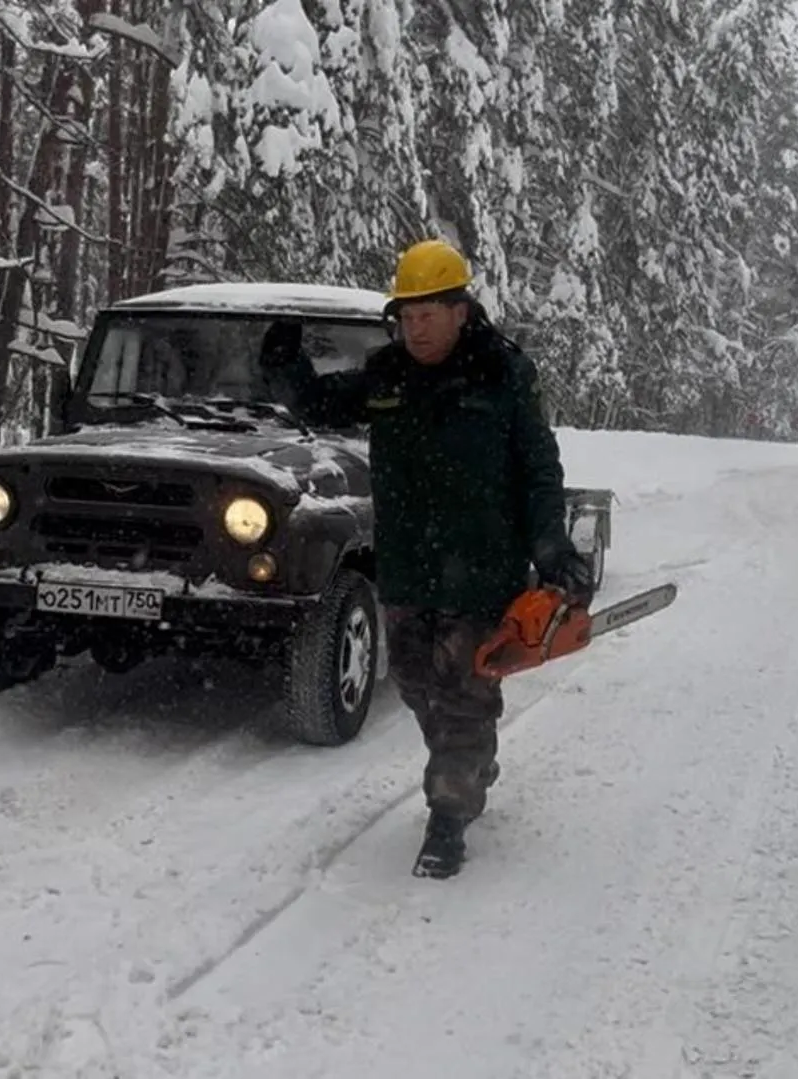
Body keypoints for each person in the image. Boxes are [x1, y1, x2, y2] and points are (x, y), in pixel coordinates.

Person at [271, 238, 595, 879]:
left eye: (427, 315)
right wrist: (286, 367)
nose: (415, 329)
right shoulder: (388, 373)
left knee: (464, 692)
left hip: (481, 569)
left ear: (461, 311)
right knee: (418, 684)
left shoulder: (503, 375)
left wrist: (551, 545)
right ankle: (471, 759)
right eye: (406, 317)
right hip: (409, 566)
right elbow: (320, 405)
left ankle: (448, 818)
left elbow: (537, 468)